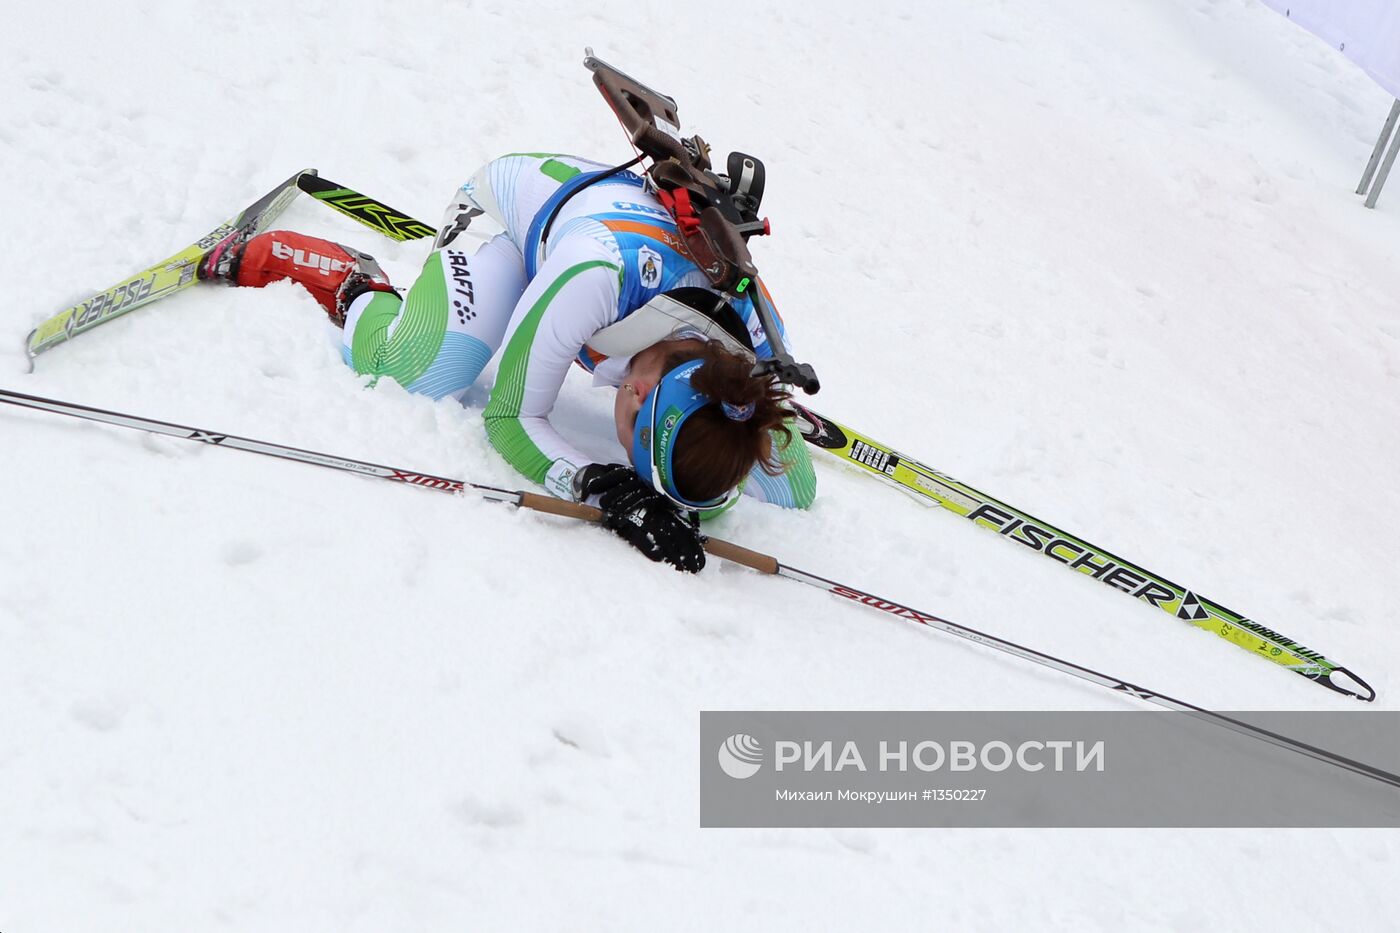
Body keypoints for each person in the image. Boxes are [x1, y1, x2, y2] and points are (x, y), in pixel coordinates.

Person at [200, 153, 817, 571]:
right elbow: (511, 417)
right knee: (418, 370)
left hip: (609, 249)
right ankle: (354, 281)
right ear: (638, 388)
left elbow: (796, 486)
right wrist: (604, 488)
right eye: (626, 435)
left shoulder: (757, 346)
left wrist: (709, 481)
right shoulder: (595, 276)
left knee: (779, 487)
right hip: (519, 222)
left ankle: (520, 319)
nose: (616, 438)